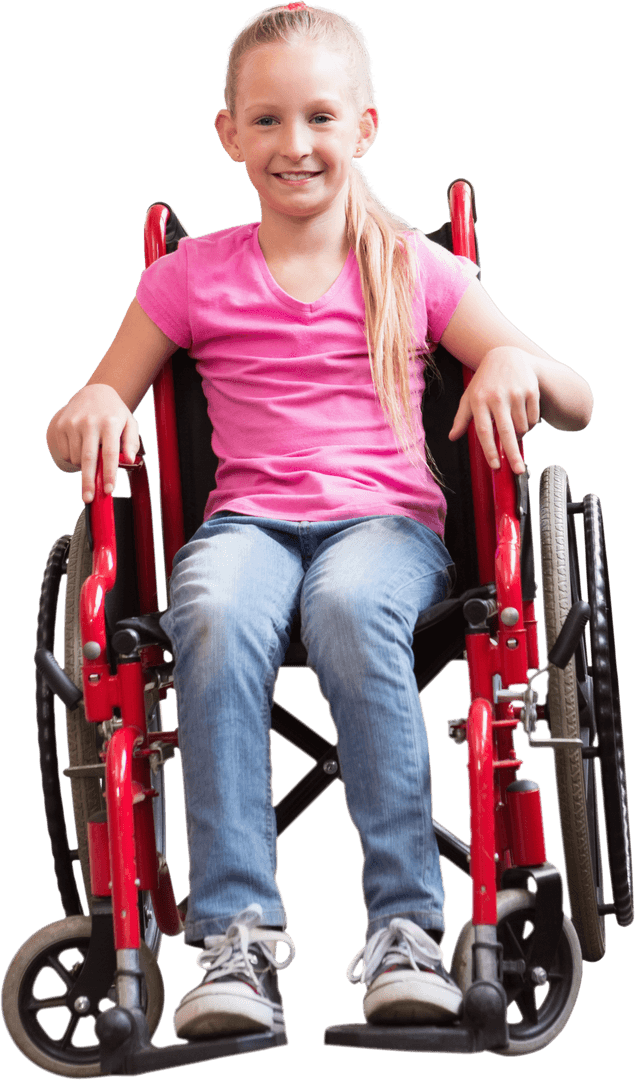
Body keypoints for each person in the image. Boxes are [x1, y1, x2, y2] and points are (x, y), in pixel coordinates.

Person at [46, 2, 593, 1045]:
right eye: (266, 122)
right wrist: (96, 406)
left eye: (318, 118)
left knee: (345, 605)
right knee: (205, 607)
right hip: (247, 526)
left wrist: (513, 361)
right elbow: (89, 408)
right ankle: (236, 942)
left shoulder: (410, 265)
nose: (293, 145)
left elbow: (574, 396)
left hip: (383, 529)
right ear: (227, 133)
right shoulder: (186, 277)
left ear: (364, 126)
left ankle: (403, 931)